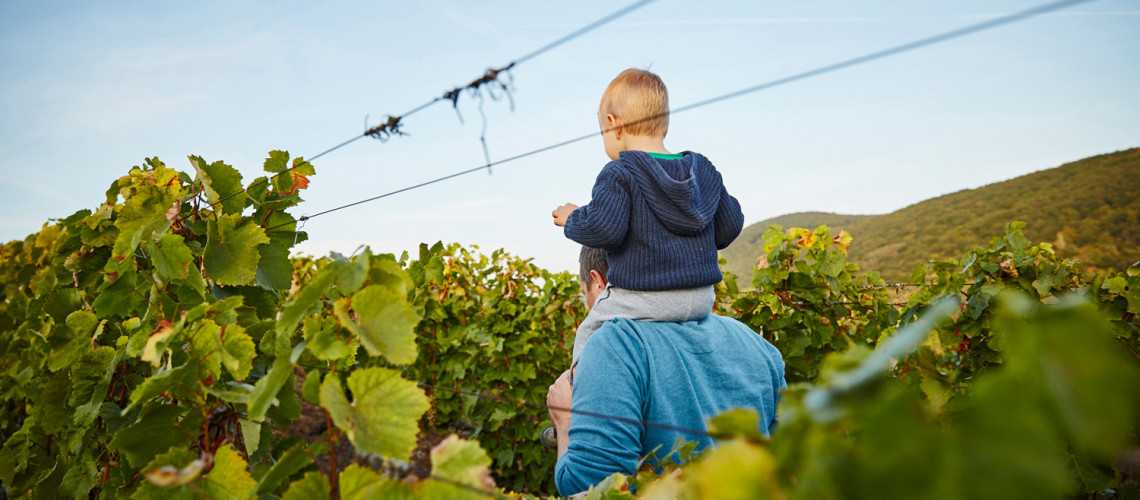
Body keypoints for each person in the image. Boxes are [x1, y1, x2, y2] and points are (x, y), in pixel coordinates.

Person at [552, 68, 744, 380]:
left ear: (614, 126)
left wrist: (573, 217)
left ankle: (575, 400)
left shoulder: (620, 172)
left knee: (589, 336)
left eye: (602, 132)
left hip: (644, 300)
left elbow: (604, 229)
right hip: (701, 299)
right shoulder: (703, 170)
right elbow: (729, 226)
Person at [548, 247, 786, 496]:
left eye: (584, 291)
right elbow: (785, 461)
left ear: (598, 282)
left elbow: (595, 487)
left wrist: (565, 423)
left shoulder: (614, 344)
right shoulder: (754, 342)